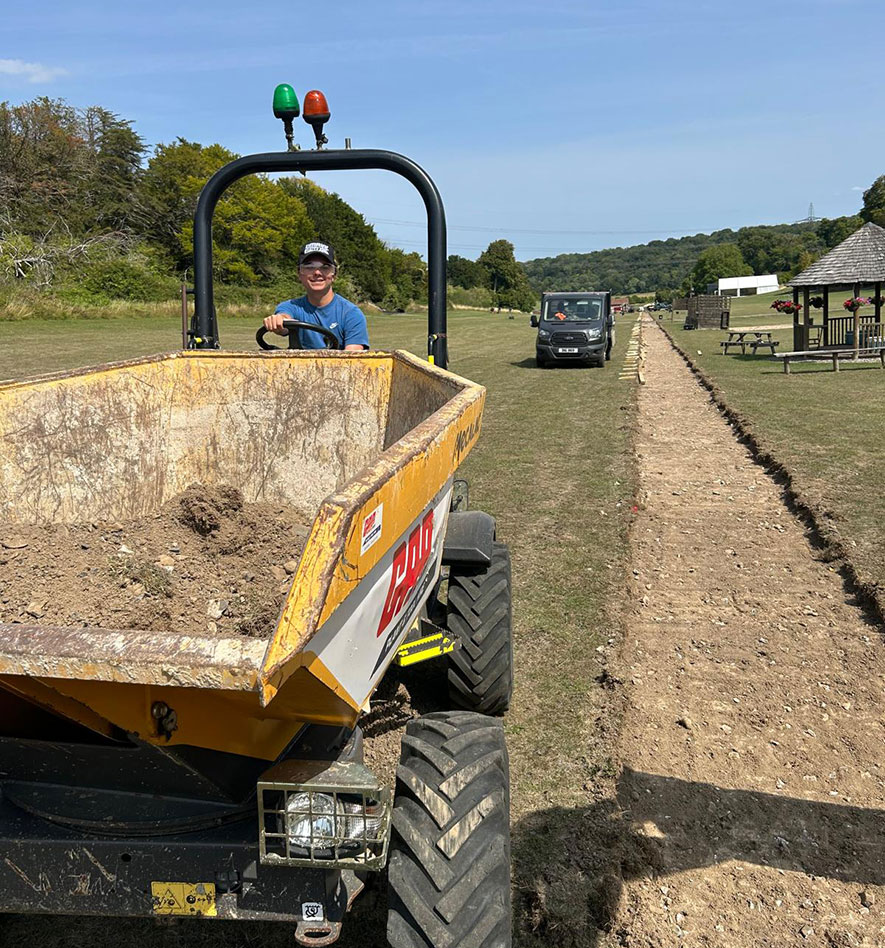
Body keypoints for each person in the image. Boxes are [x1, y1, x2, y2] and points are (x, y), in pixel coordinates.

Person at [263, 241, 369, 350]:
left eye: (325, 267)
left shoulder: (351, 314)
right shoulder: (290, 306)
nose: (317, 273)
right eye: (309, 267)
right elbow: (284, 319)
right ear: (299, 273)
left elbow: (352, 359)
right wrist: (278, 322)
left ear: (334, 275)